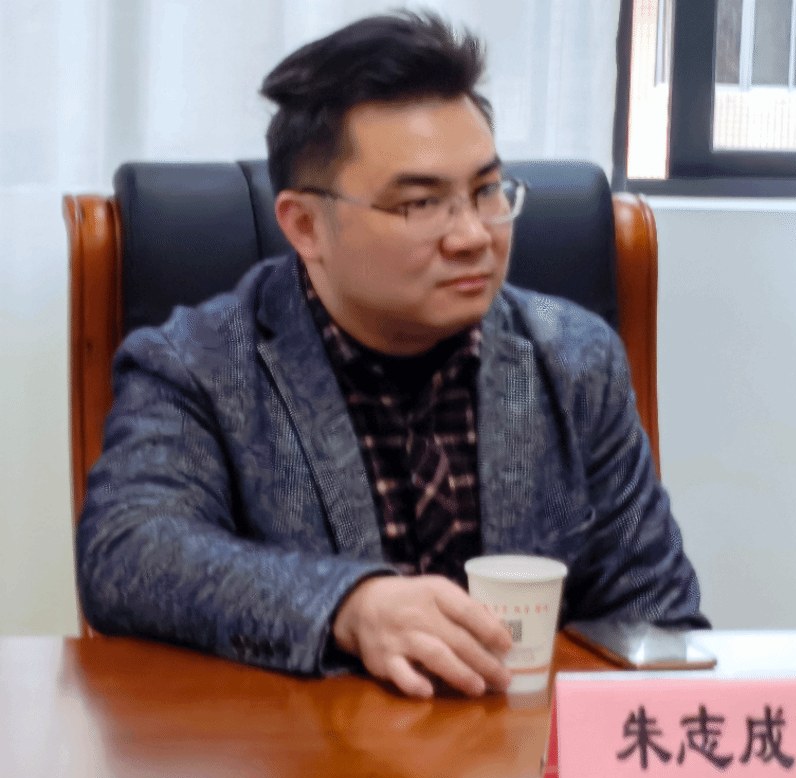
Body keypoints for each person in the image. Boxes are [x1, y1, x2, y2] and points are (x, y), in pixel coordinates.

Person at [76, 11, 707, 699]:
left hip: (522, 746)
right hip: (307, 746)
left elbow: (656, 616)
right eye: (420, 204)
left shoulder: (572, 360)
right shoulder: (197, 366)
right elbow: (127, 552)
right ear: (305, 225)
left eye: (486, 191)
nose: (473, 236)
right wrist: (348, 606)